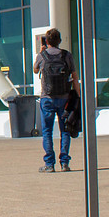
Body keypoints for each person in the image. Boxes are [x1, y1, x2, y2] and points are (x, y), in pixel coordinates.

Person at [32, 27, 77, 172]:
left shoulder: (42, 56)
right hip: (64, 99)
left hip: (47, 98)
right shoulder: (67, 55)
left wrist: (40, 52)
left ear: (47, 41)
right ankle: (64, 162)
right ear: (60, 41)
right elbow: (75, 77)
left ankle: (49, 164)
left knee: (47, 131)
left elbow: (35, 69)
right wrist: (78, 95)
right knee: (65, 130)